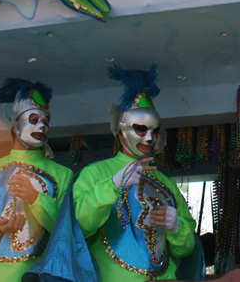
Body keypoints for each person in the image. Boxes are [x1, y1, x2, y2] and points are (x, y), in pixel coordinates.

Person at [71, 64, 201, 281]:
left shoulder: (165, 183)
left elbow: (184, 251)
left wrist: (176, 226)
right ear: (122, 133)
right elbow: (78, 229)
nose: (149, 138)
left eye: (154, 131)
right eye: (141, 129)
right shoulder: (95, 173)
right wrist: (112, 185)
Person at [0, 78, 72, 280]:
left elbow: (69, 232)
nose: (42, 126)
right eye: (34, 120)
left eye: (46, 121)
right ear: (15, 126)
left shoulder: (62, 174)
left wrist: (36, 200)